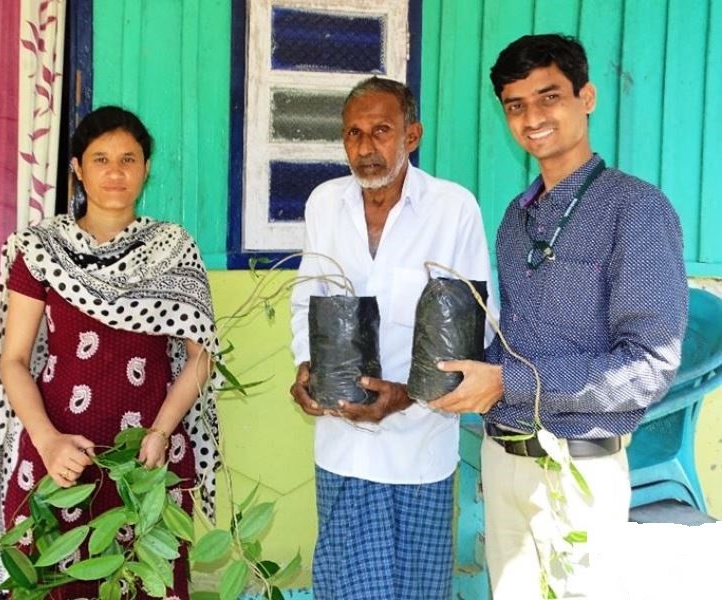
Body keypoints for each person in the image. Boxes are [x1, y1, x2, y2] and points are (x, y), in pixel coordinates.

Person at [430, 34, 688, 598]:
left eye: (549, 97)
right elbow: (517, 343)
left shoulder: (635, 208)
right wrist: (457, 373)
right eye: (516, 105)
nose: (533, 117)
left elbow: (650, 365)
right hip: (503, 462)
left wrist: (506, 382)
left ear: (587, 97)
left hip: (580, 473)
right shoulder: (515, 220)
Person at [0, 106, 221, 599]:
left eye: (129, 159)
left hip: (146, 462)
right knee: (52, 583)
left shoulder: (173, 249)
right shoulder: (40, 249)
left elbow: (201, 357)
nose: (115, 171)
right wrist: (46, 442)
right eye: (101, 158)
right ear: (77, 168)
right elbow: (14, 360)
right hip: (58, 456)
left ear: (146, 168)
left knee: (146, 582)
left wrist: (161, 432)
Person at [289, 76, 492, 599]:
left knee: (417, 589)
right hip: (342, 447)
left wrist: (407, 398)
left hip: (420, 446)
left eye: (381, 131)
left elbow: (463, 331)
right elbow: (305, 298)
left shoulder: (453, 209)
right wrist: (305, 368)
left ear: (412, 135)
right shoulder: (324, 204)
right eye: (353, 133)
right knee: (342, 587)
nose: (365, 147)